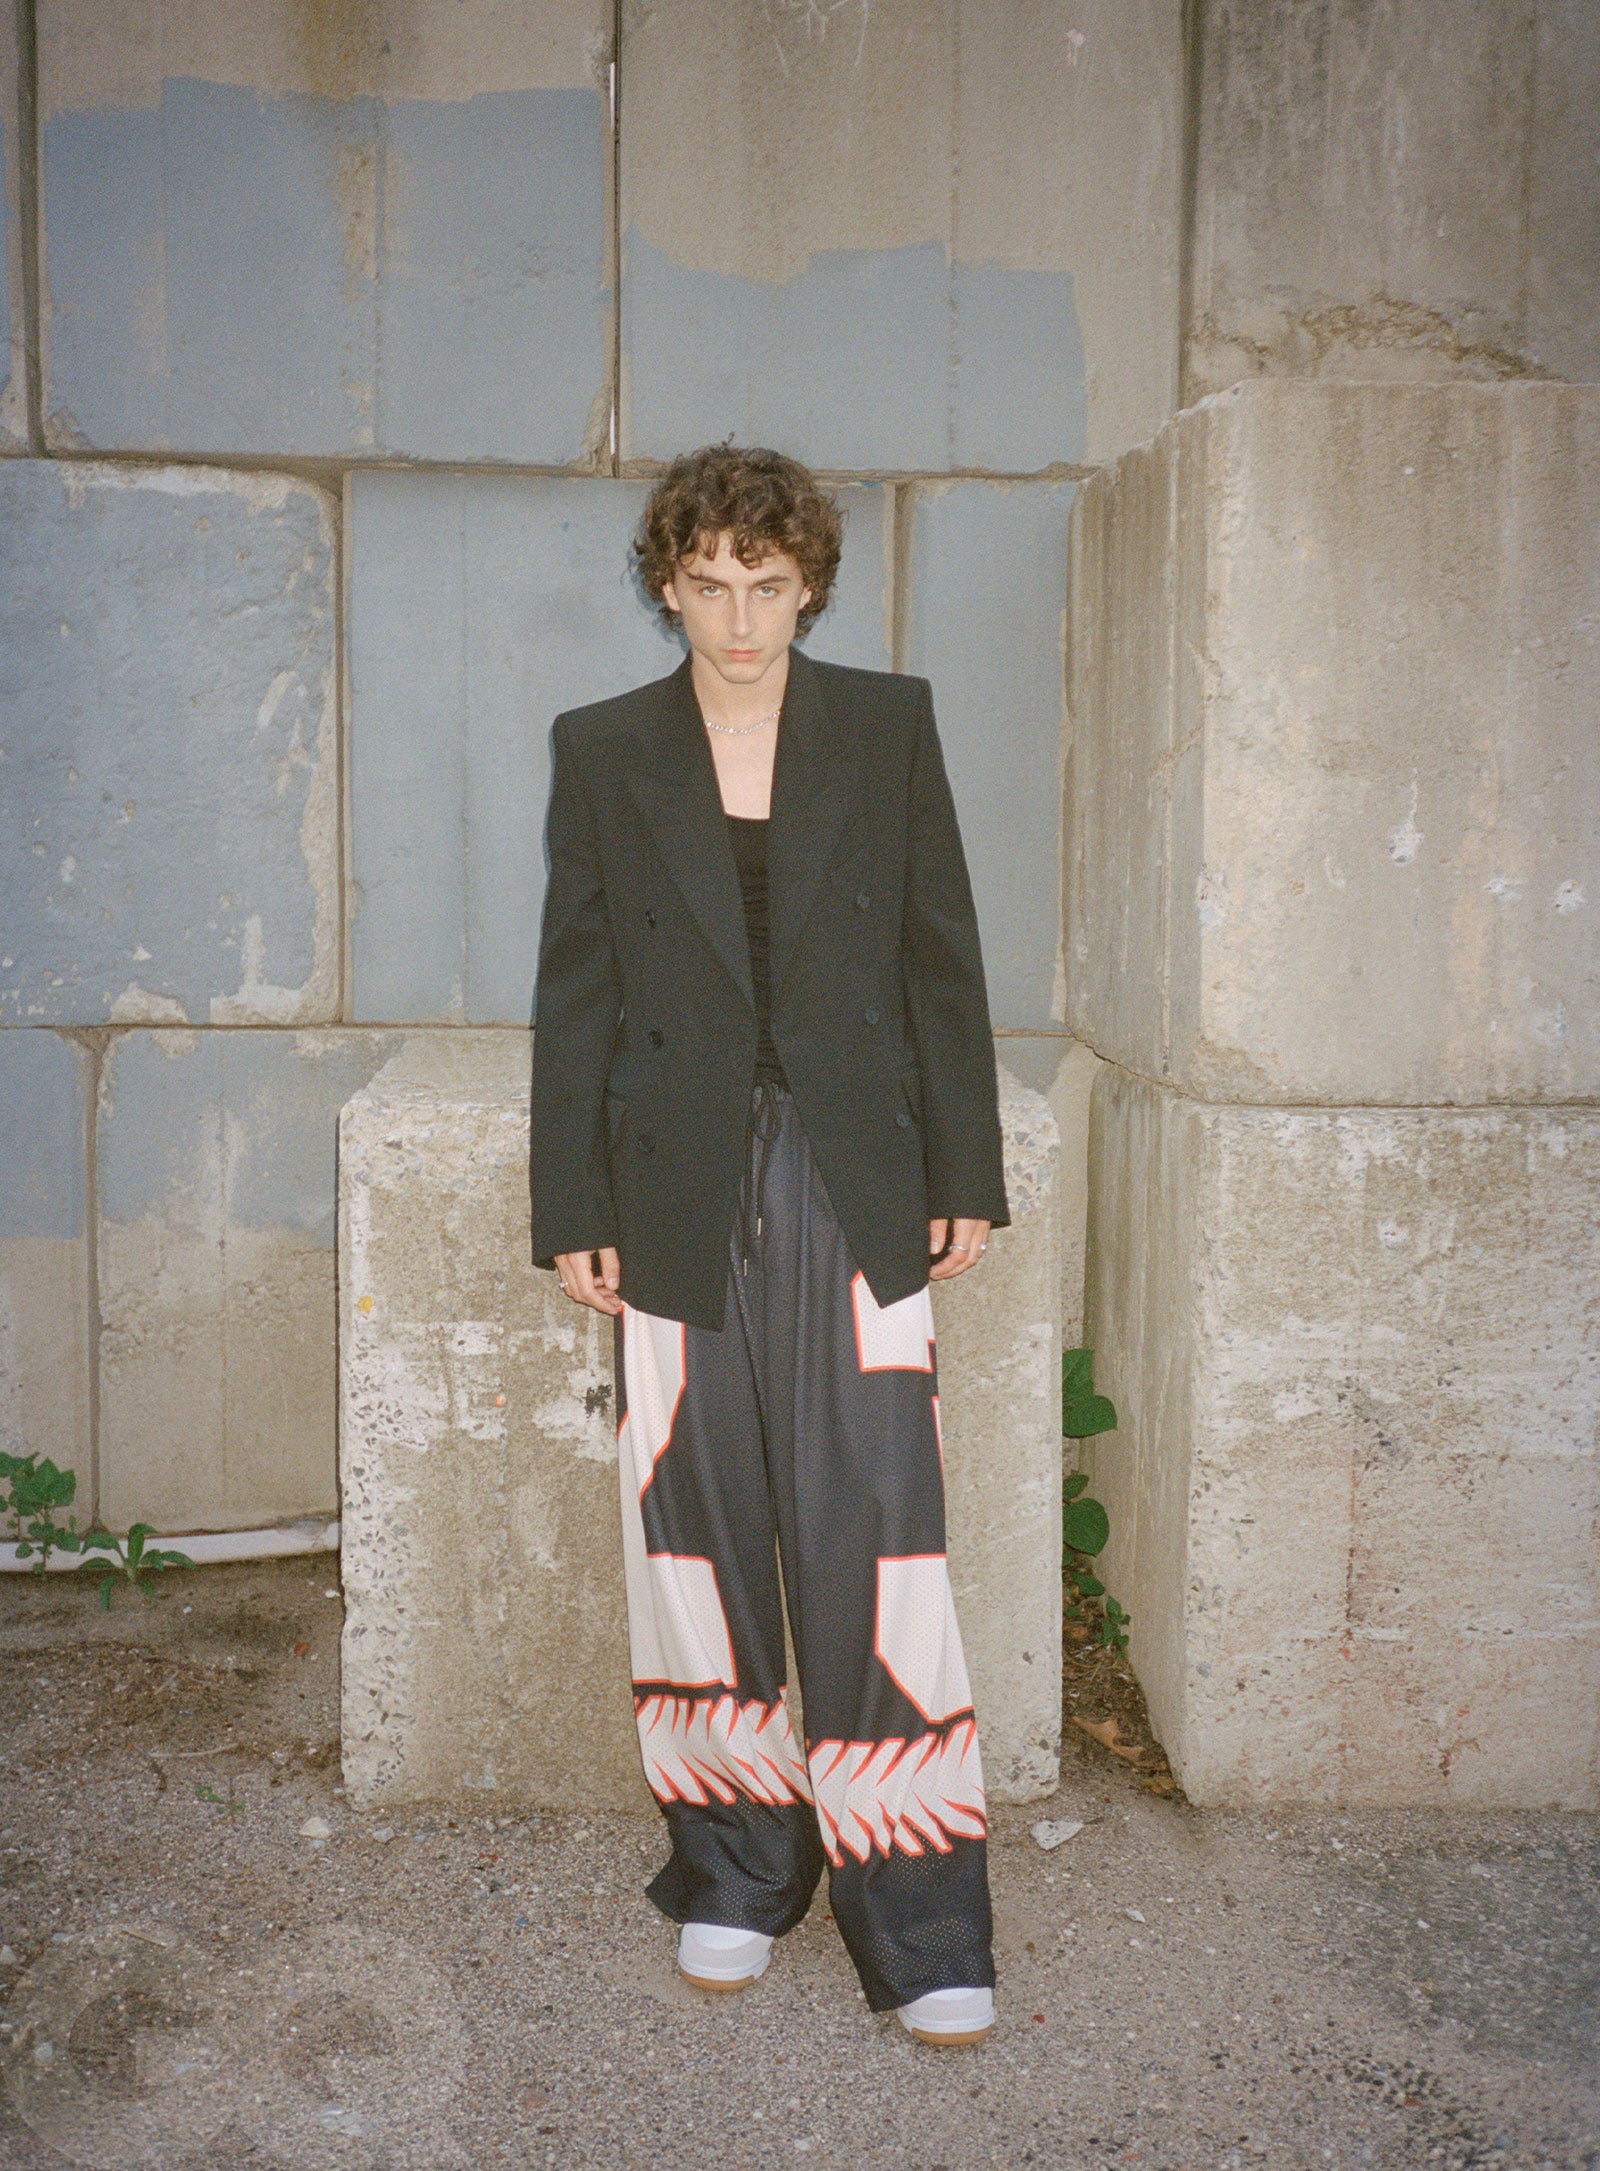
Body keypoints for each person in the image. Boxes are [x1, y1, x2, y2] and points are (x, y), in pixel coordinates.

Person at [527, 444, 1010, 2046]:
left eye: (770, 587)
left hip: (854, 1173)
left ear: (811, 588)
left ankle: (921, 1908)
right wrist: (574, 1204)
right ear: (668, 587)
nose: (740, 623)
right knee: (694, 1528)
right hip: (671, 1180)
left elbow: (941, 956)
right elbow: (578, 988)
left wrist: (965, 1169)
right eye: (709, 587)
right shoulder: (604, 748)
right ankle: (735, 1866)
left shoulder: (887, 725)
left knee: (879, 1533)